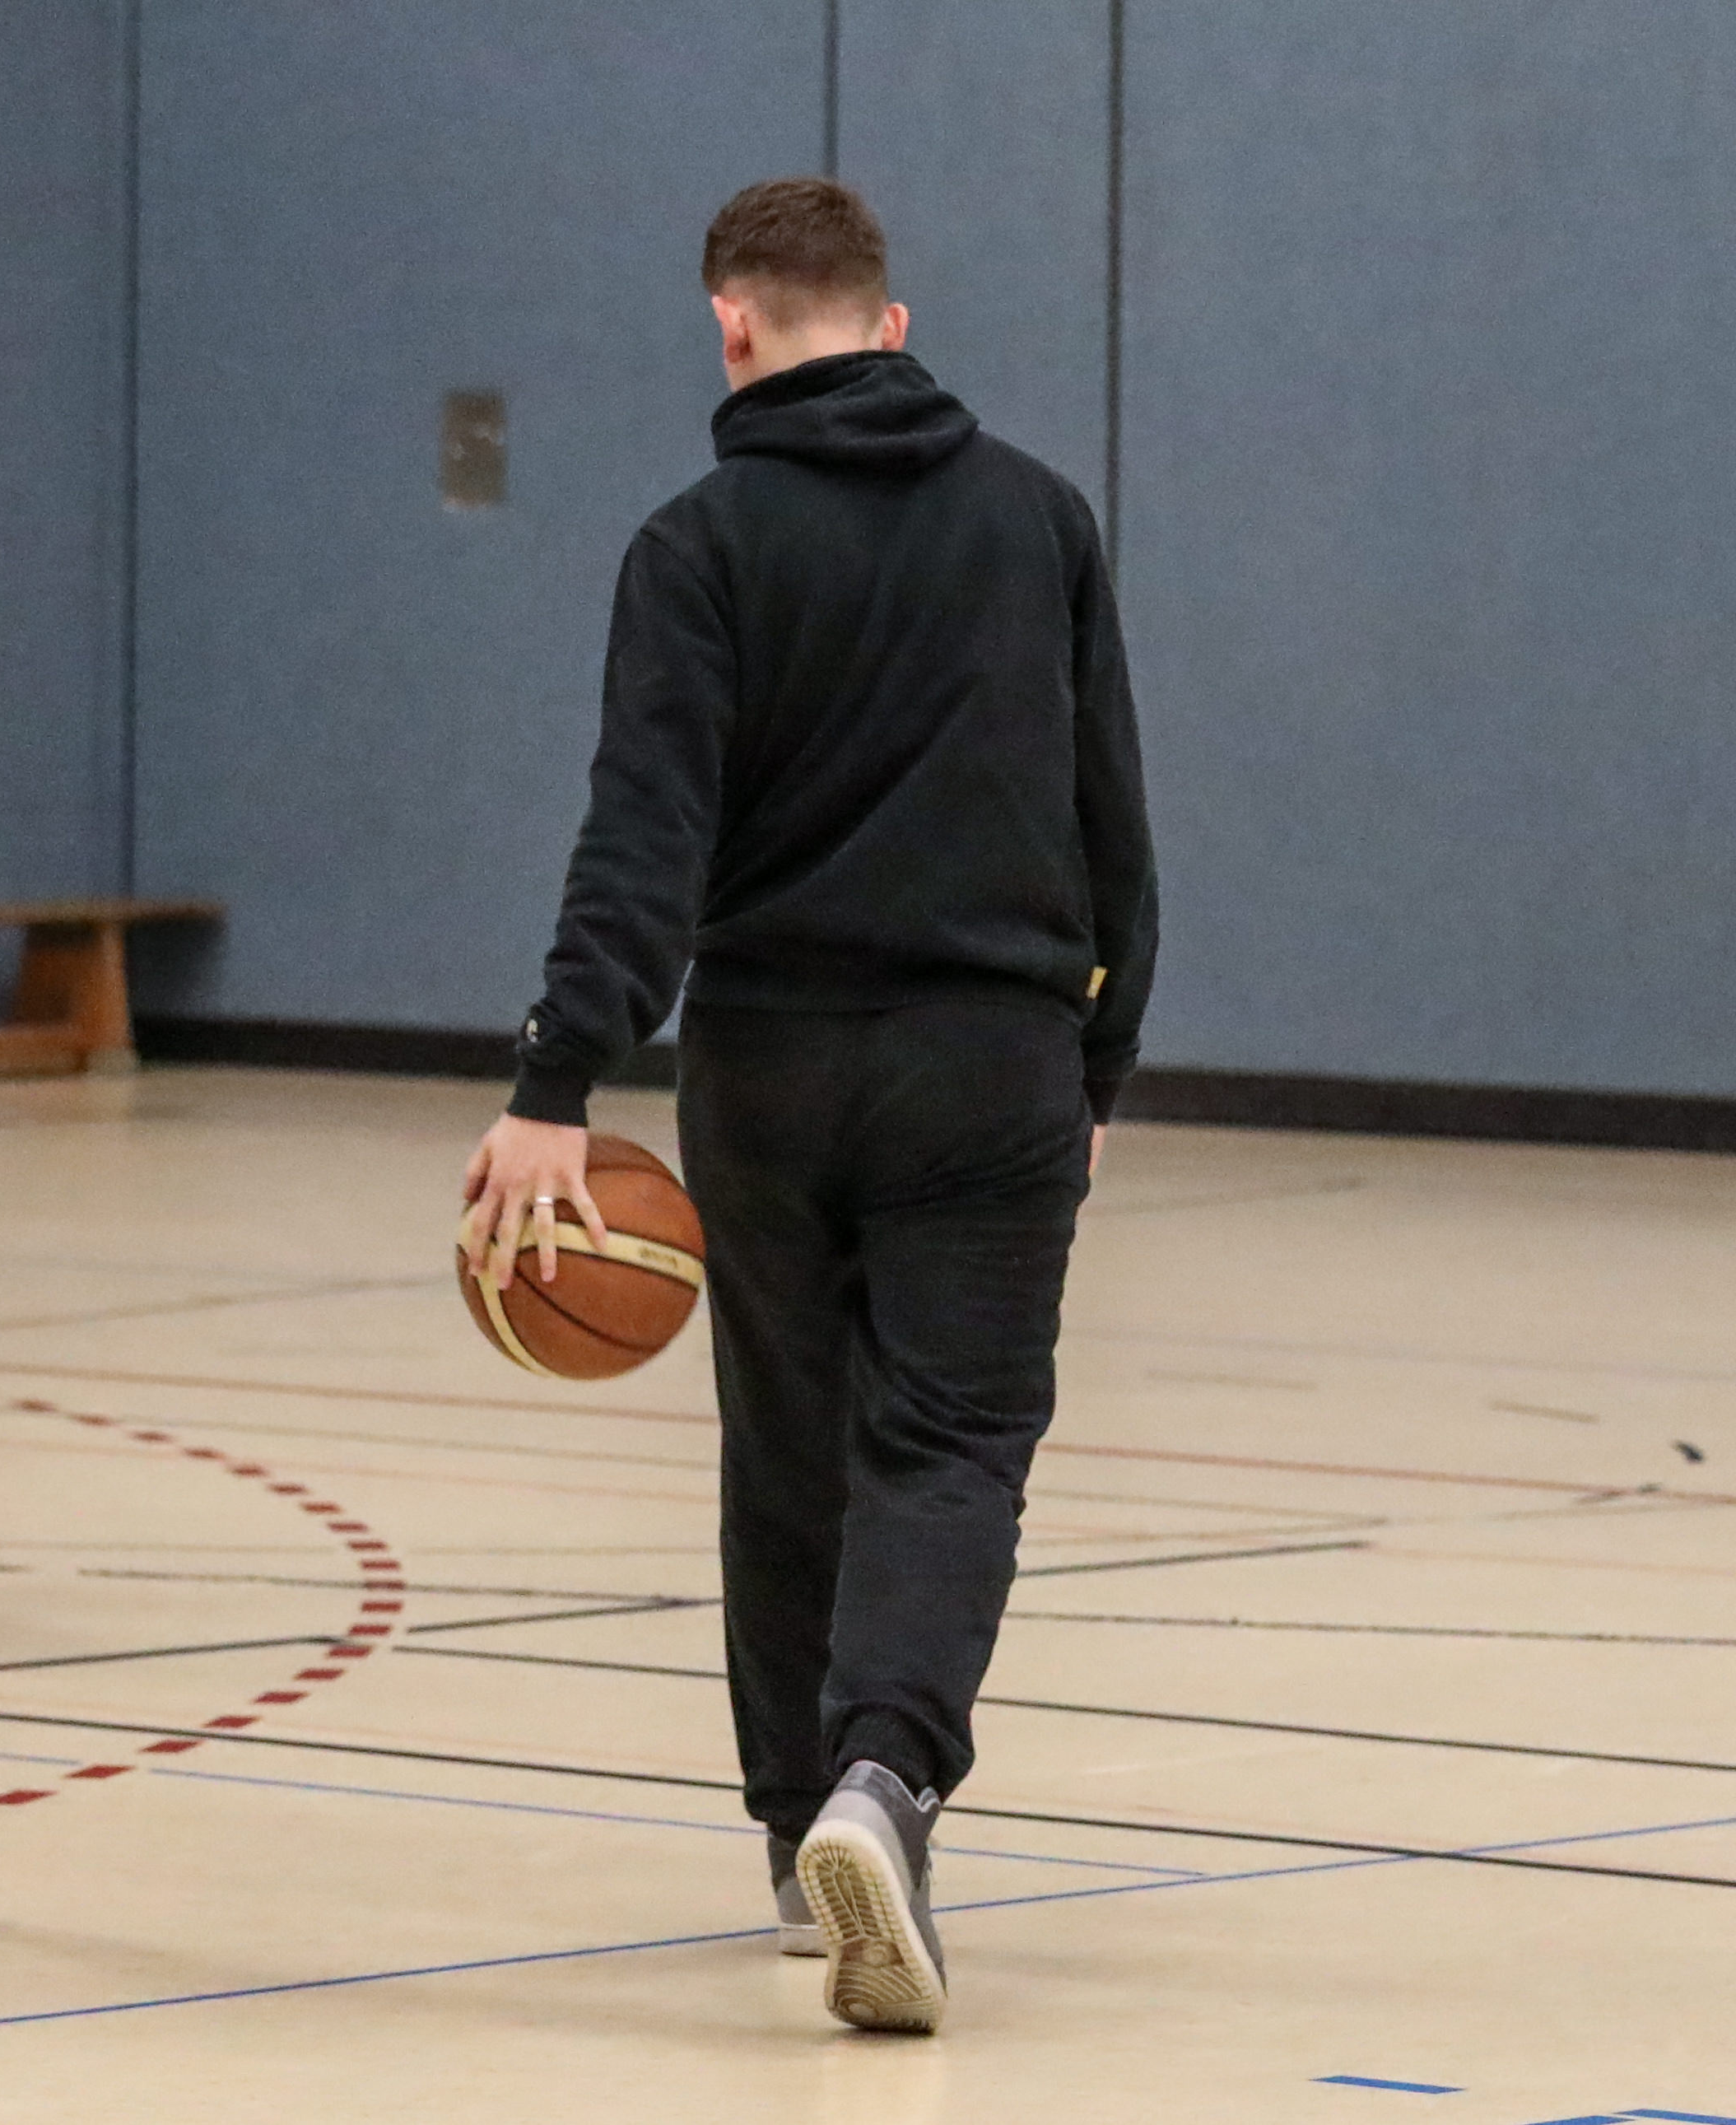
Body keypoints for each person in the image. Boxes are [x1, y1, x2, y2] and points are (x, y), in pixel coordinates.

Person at [458, 176, 1157, 2035]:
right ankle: (885, 1779)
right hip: (989, 1057)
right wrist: (1099, 1064)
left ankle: (795, 1838)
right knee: (952, 1440)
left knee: (785, 1446)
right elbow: (1114, 820)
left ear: (732, 325)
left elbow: (643, 839)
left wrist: (554, 1080)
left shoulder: (694, 544)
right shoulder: (1040, 519)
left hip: (767, 1064)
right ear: (893, 324)